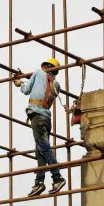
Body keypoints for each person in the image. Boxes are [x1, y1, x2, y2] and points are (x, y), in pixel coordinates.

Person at [13, 58, 66, 197]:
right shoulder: (57, 84)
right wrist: (26, 77)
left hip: (37, 116)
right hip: (46, 119)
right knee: (40, 152)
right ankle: (39, 182)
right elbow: (42, 89)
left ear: (44, 66)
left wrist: (19, 83)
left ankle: (57, 177)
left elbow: (26, 90)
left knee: (44, 148)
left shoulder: (38, 73)